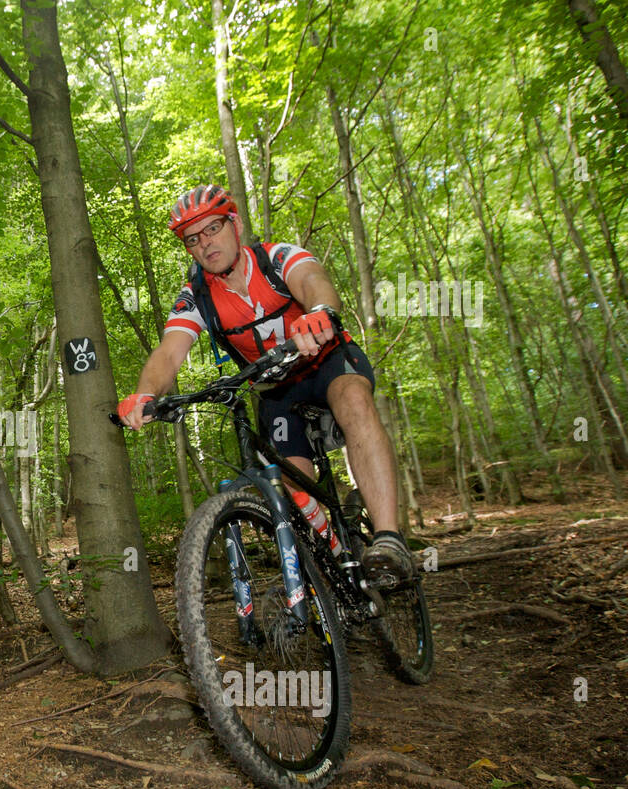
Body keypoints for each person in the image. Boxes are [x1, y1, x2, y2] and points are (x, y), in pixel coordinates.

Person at [116, 184, 414, 585]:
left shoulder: (277, 257)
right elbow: (169, 353)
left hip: (327, 362)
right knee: (289, 482)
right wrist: (145, 394)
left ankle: (388, 540)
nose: (206, 242)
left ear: (235, 224)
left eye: (213, 228)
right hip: (276, 390)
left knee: (354, 399)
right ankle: (334, 566)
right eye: (193, 238)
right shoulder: (197, 298)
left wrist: (321, 313)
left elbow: (313, 281)